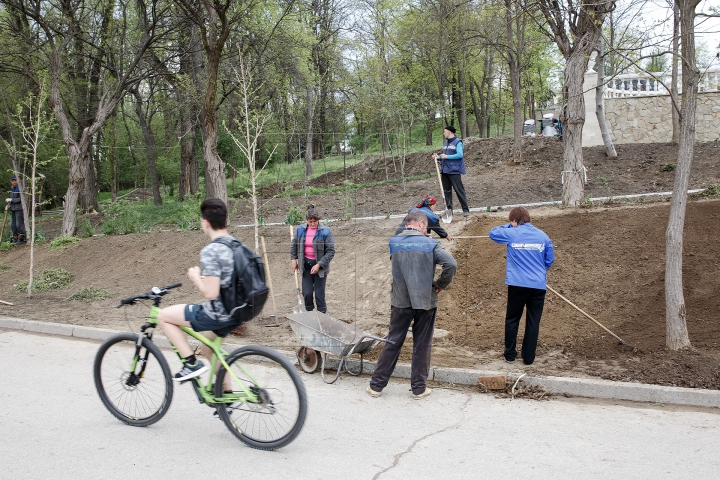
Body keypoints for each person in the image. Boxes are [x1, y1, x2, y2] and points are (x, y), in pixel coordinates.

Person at [367, 209, 457, 400]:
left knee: (393, 341)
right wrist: (440, 284)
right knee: (422, 344)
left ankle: (376, 386)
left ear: (408, 223)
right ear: (423, 225)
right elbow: (451, 265)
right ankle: (418, 388)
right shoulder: (431, 244)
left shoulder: (394, 242)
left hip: (400, 301)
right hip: (425, 301)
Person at [157, 198, 241, 383]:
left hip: (218, 313)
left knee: (163, 316)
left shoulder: (211, 250)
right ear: (225, 220)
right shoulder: (236, 245)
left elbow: (210, 294)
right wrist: (207, 279)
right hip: (238, 310)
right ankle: (226, 398)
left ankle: (190, 363)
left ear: (205, 222)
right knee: (208, 347)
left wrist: (196, 277)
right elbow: (229, 278)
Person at [489, 207, 554, 366]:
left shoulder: (511, 233)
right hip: (538, 285)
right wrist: (537, 271)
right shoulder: (543, 236)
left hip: (517, 284)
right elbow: (549, 260)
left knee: (512, 319)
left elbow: (493, 233)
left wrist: (510, 225)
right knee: (533, 321)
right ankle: (529, 358)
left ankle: (510, 355)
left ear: (515, 221)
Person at [290, 205, 336, 313]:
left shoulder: (326, 231)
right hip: (305, 265)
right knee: (307, 293)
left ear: (318, 220)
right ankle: (310, 314)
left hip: (320, 267)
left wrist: (319, 264)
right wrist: (293, 259)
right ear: (306, 220)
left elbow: (331, 251)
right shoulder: (300, 230)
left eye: (314, 221)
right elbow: (294, 245)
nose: (312, 224)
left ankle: (322, 317)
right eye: (310, 221)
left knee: (319, 295)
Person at [433, 125, 470, 217]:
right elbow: (444, 158)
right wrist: (439, 158)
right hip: (445, 170)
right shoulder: (446, 143)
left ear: (449, 132)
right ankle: (449, 211)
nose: (443, 133)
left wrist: (447, 156)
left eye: (445, 131)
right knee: (446, 192)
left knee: (459, 190)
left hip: (454, 170)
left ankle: (465, 210)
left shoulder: (458, 142)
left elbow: (460, 155)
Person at [6, 175, 26, 245]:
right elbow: (12, 199)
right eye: (13, 180)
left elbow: (21, 199)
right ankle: (15, 238)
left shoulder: (21, 188)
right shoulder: (12, 189)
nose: (14, 182)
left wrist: (12, 200)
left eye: (15, 180)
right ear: (11, 181)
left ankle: (21, 238)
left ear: (18, 180)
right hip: (13, 209)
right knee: (13, 225)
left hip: (19, 208)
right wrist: (9, 203)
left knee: (19, 224)